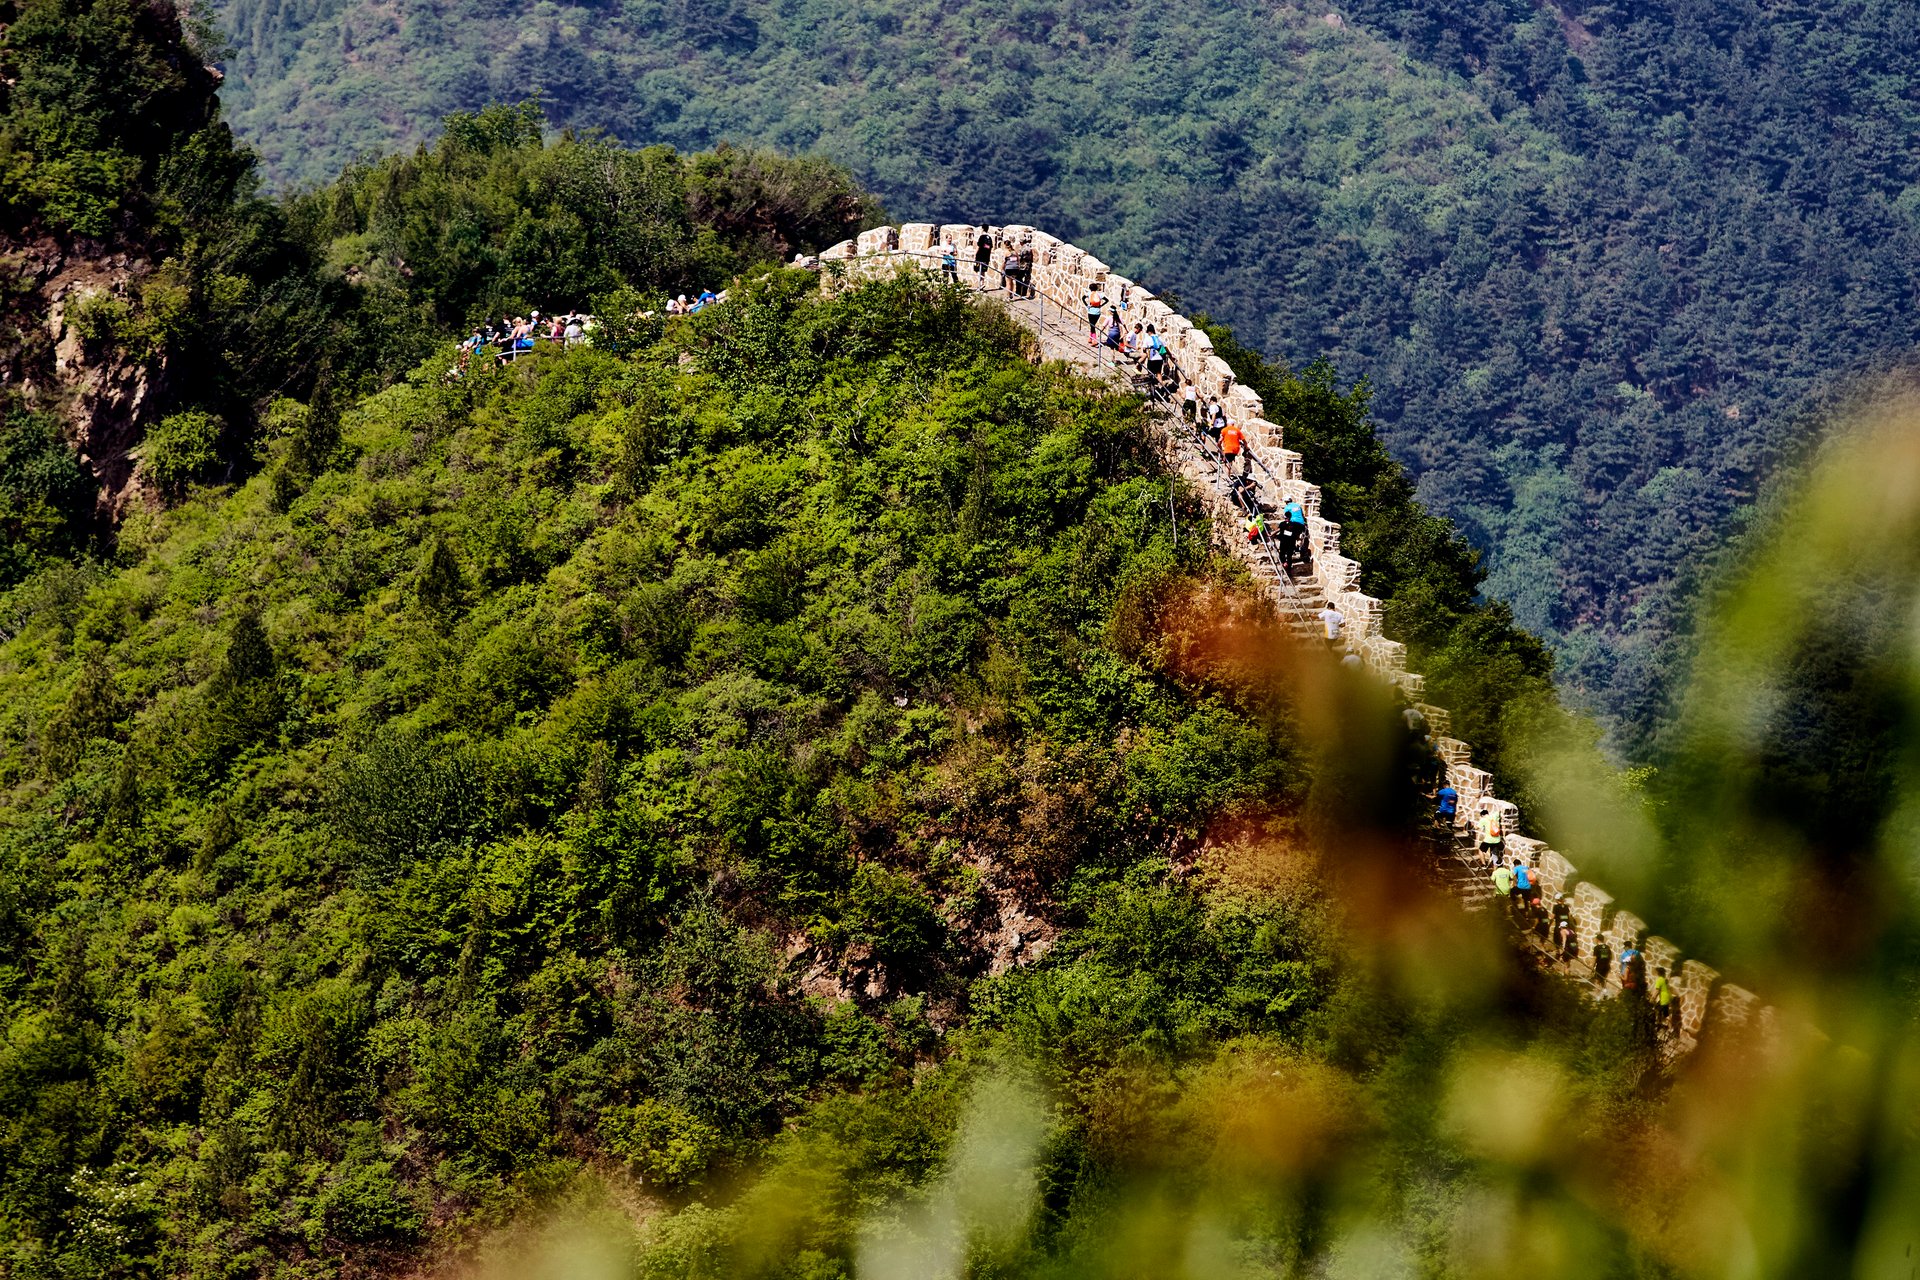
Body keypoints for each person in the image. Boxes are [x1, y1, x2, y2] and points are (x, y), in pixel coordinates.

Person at [1651, 967, 1677, 1032]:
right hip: (1666, 998)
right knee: (1663, 1012)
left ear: (1658, 973)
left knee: (1657, 1010)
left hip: (1663, 999)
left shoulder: (1659, 980)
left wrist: (1652, 998)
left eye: (1656, 972)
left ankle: (1662, 1026)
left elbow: (1657, 991)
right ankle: (1669, 1027)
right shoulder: (1663, 979)